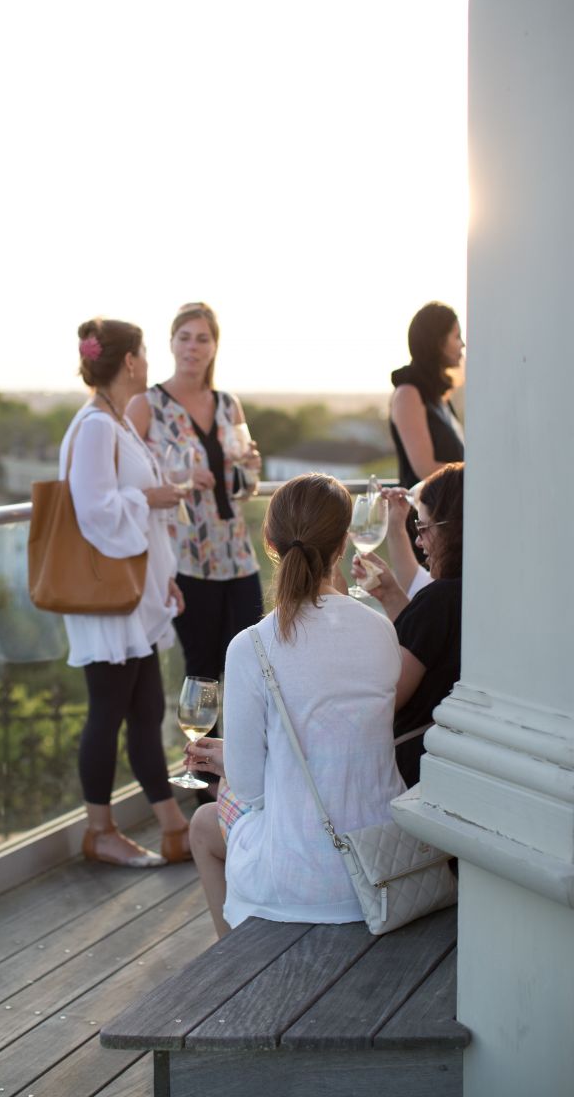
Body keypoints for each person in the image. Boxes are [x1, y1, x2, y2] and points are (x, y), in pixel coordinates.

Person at [182, 473, 405, 937]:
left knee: (207, 820)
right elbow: (345, 737)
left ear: (269, 541)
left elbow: (250, 791)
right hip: (381, 864)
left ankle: (233, 960)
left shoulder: (251, 646)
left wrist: (232, 761)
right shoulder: (380, 629)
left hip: (296, 880)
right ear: (343, 544)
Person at [59, 317, 192, 867]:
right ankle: (100, 830)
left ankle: (173, 827)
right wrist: (153, 499)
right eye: (144, 351)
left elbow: (121, 503)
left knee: (144, 710)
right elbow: (94, 511)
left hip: (136, 594)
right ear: (131, 362)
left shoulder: (115, 422)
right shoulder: (96, 426)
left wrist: (165, 578)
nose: (149, 360)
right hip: (109, 599)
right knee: (108, 711)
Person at [127, 301, 263, 705]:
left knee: (250, 663)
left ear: (214, 346)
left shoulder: (228, 405)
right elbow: (127, 478)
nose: (193, 347)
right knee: (202, 667)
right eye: (184, 337)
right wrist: (179, 479)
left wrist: (251, 468)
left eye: (202, 338)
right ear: (170, 343)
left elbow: (245, 486)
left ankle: (240, 762)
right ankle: (203, 766)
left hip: (237, 553)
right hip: (184, 556)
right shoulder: (146, 405)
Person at [352, 463, 464, 786]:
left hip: (409, 774)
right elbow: (431, 647)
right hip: (449, 762)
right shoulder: (478, 594)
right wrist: (390, 596)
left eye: (424, 528)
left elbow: (385, 699)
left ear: (452, 529)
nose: (419, 541)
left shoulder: (439, 600)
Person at [390, 302, 465, 491]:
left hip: (446, 513)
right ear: (437, 342)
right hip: (423, 518)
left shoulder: (438, 396)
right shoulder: (408, 393)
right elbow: (425, 469)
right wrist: (480, 472)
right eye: (456, 337)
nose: (462, 344)